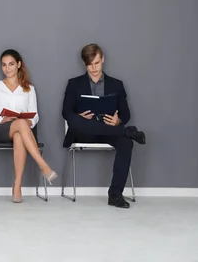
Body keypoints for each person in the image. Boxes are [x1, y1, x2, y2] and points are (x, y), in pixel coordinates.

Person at [62, 43, 146, 208]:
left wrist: (118, 121)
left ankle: (115, 195)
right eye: (89, 64)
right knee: (77, 122)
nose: (93, 68)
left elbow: (125, 114)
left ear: (103, 60)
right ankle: (127, 132)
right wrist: (78, 116)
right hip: (83, 130)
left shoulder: (117, 84)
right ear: (85, 64)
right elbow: (66, 112)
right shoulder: (74, 84)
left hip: (110, 131)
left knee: (126, 143)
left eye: (97, 63)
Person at [0, 49, 57, 203]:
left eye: (10, 64)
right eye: (4, 65)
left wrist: (30, 121)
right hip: (0, 130)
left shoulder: (29, 89)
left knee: (19, 132)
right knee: (19, 124)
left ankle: (17, 185)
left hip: (21, 131)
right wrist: (3, 119)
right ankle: (43, 166)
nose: (7, 68)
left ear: (18, 65)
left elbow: (34, 114)